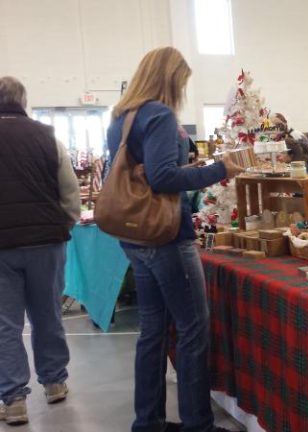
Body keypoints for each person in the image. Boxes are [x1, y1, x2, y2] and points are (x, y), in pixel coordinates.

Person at [106, 47, 244, 432]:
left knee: (152, 330)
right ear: (170, 79)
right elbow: (163, 177)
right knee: (192, 329)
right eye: (182, 82)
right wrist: (219, 169)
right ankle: (197, 423)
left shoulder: (122, 117)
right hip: (165, 236)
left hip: (135, 235)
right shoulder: (160, 115)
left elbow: (146, 172)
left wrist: (187, 167)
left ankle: (147, 421)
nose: (182, 90)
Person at [0, 76, 79, 426]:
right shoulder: (48, 137)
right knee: (48, 313)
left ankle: (14, 399)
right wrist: (65, 225)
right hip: (46, 242)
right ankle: (55, 382)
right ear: (23, 100)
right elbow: (69, 190)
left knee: (5, 324)